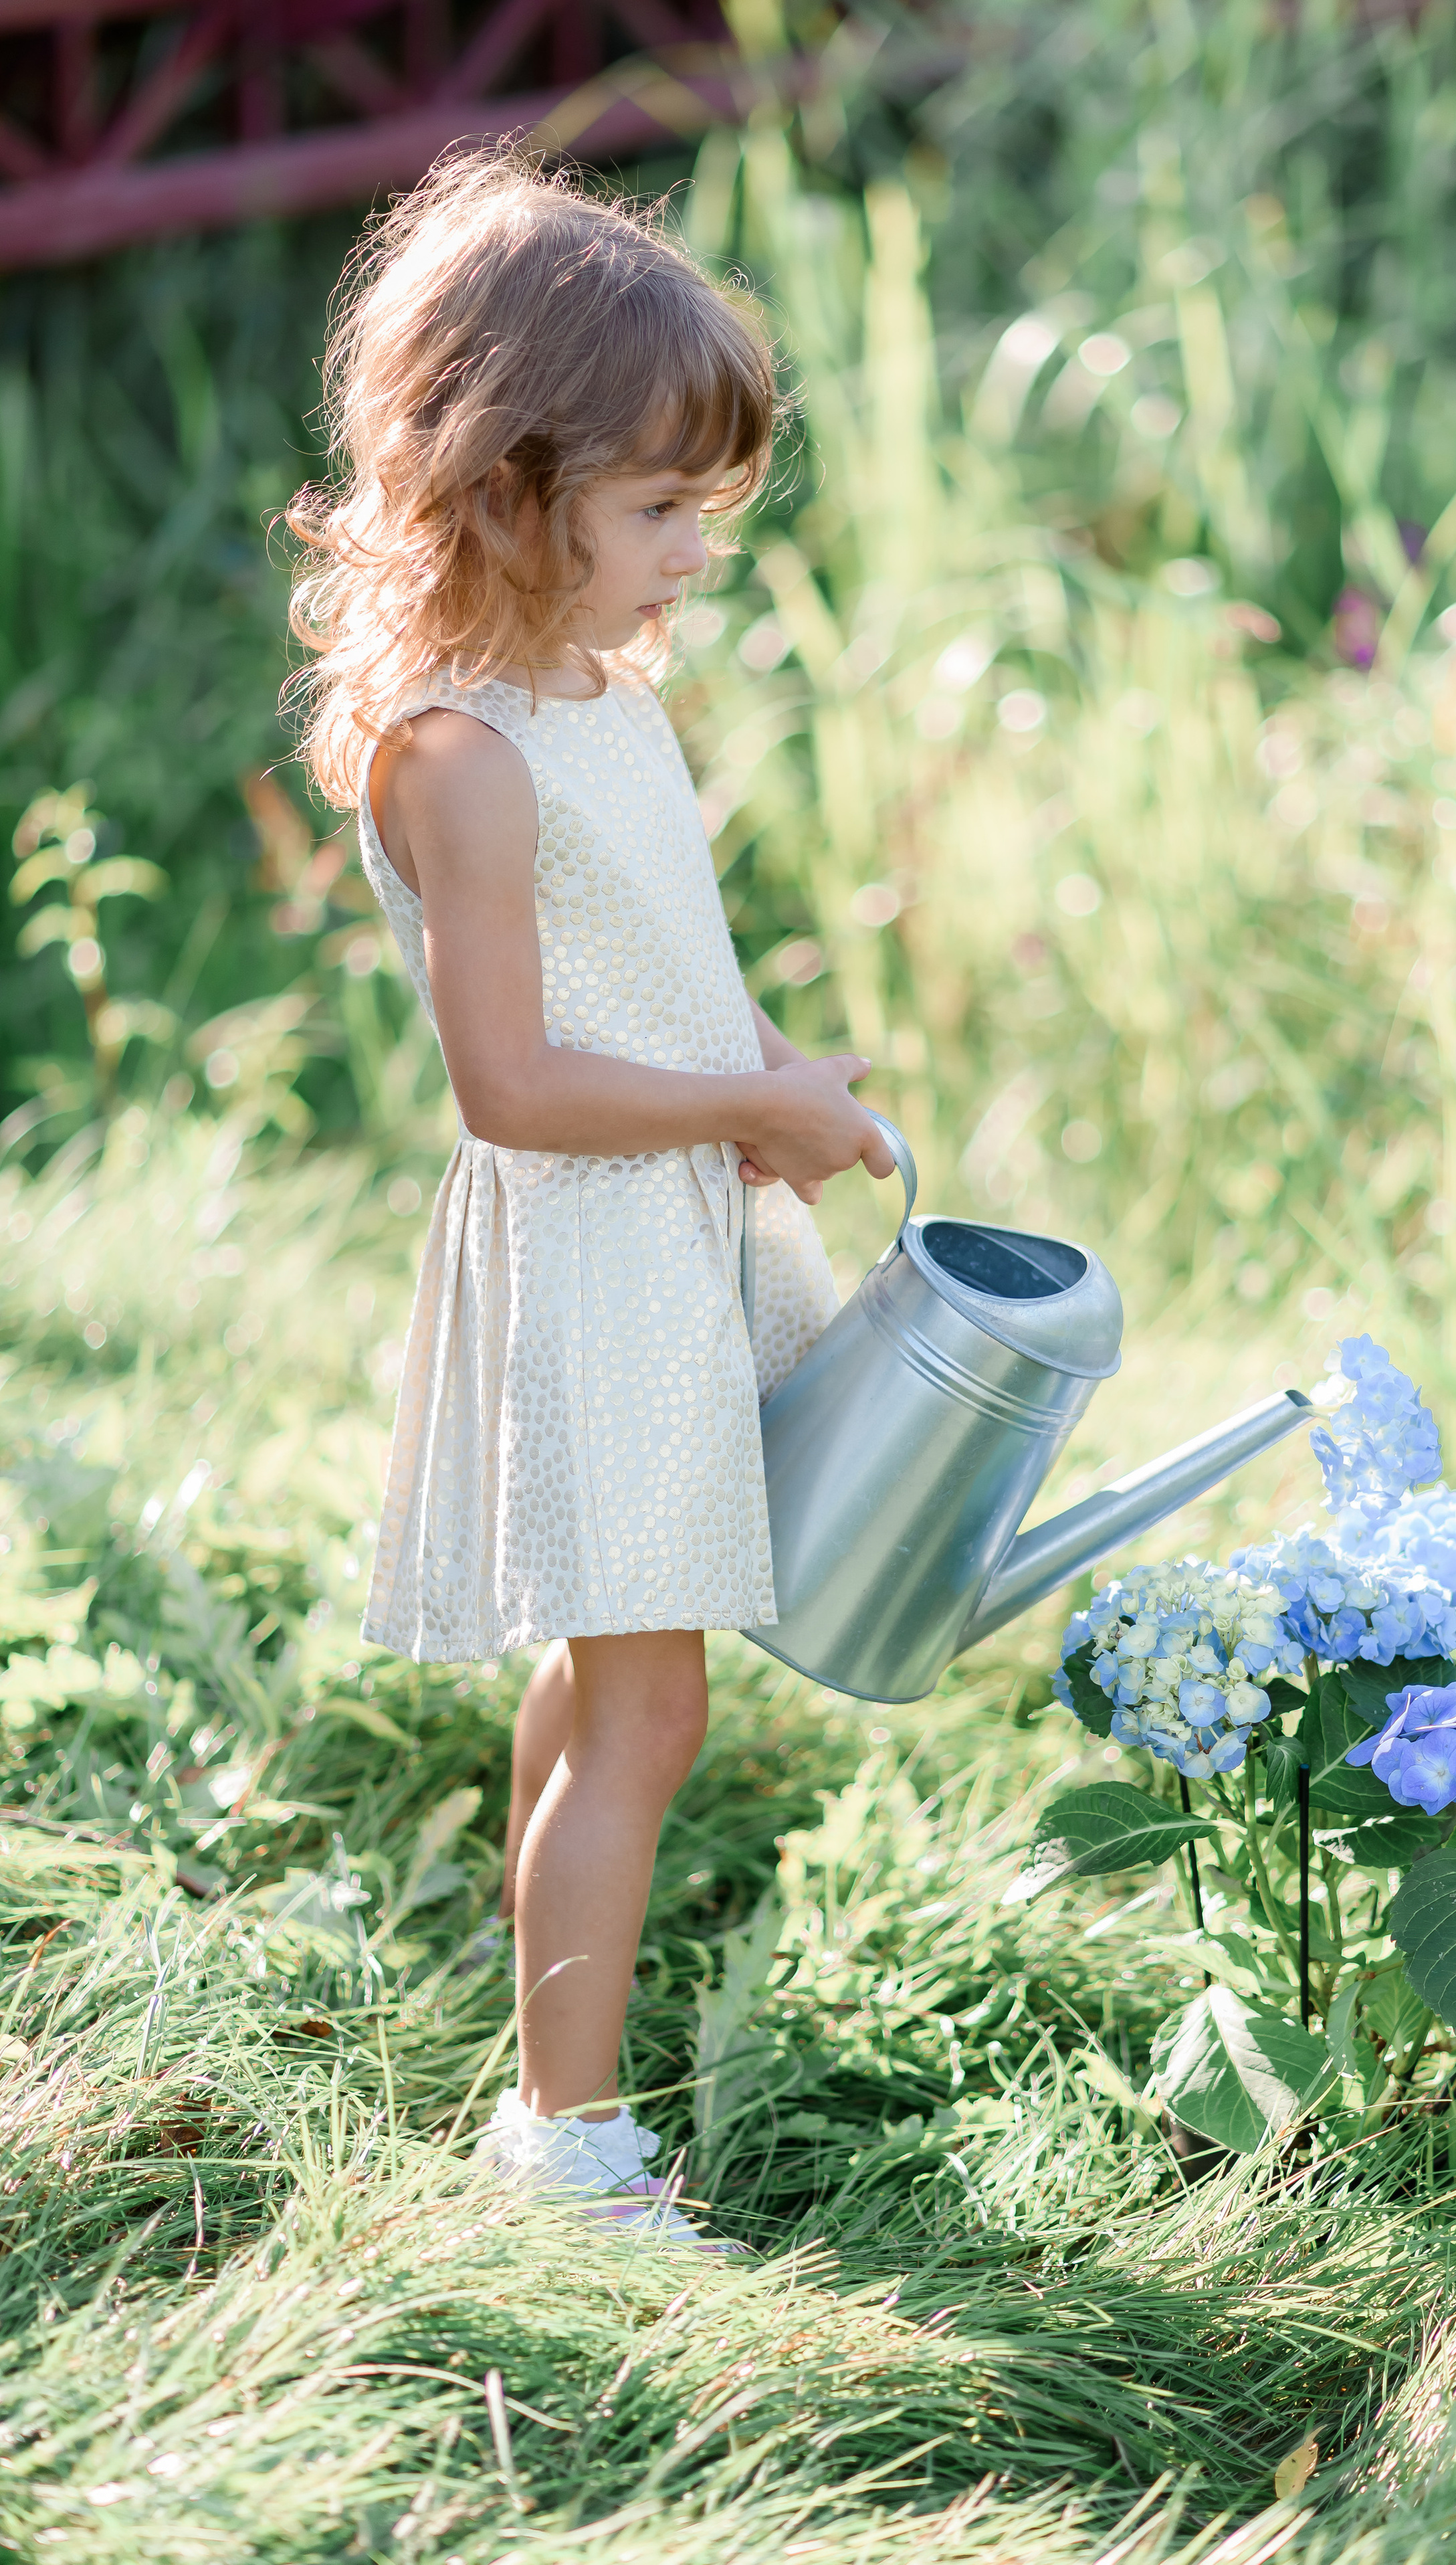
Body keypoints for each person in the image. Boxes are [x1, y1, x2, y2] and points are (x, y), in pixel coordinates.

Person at [288, 147, 891, 2249]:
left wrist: (761, 1087)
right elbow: (512, 1082)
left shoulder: (590, 696)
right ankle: (568, 2142)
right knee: (654, 1701)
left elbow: (636, 981)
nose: (690, 562)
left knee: (606, 1681)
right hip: (593, 1259)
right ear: (505, 486)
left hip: (671, 1229)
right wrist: (740, 1093)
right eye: (655, 514)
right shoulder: (460, 751)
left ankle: (552, 2090)